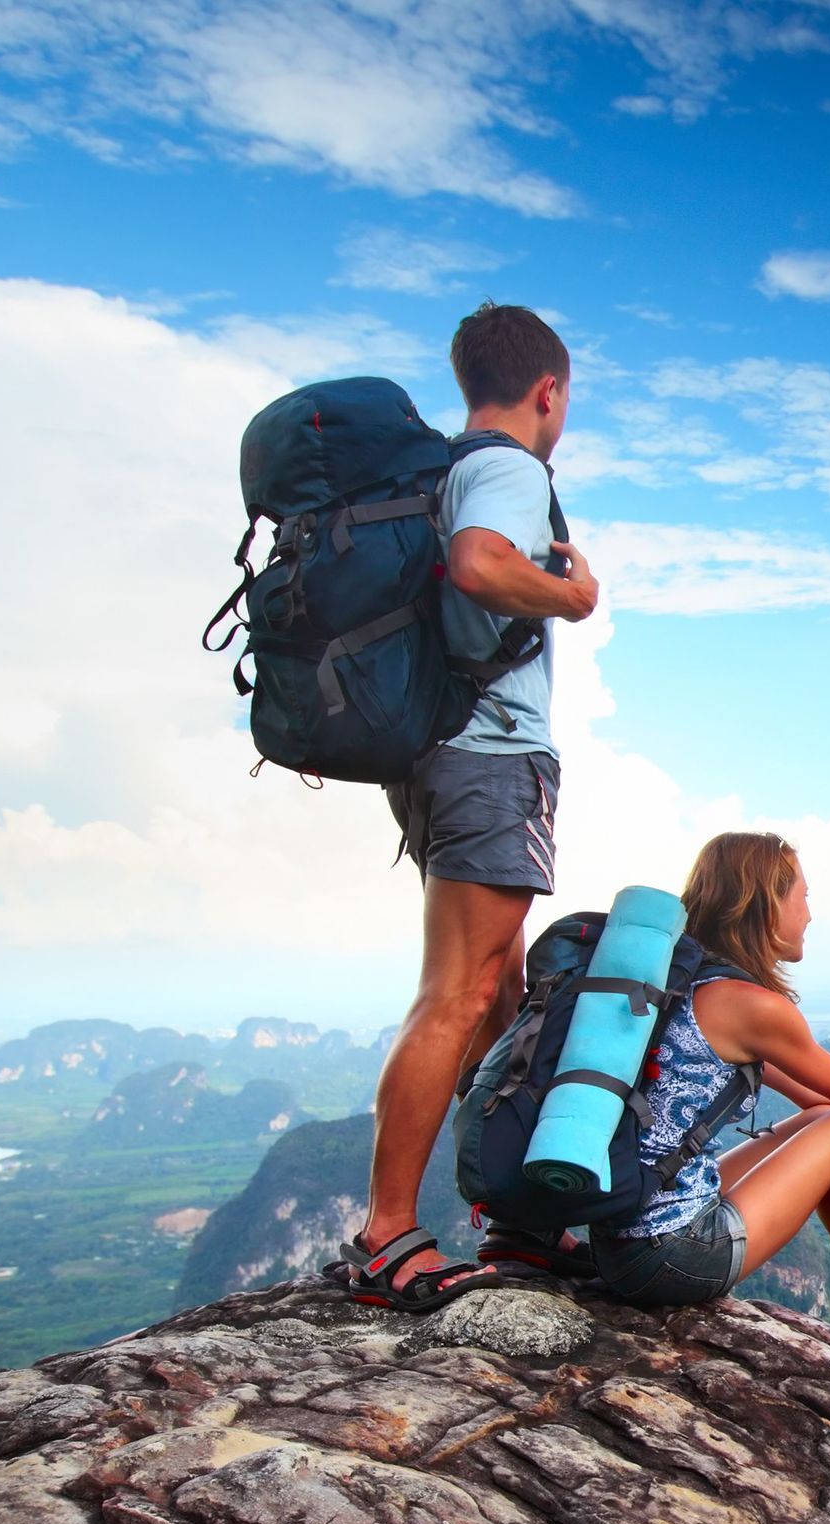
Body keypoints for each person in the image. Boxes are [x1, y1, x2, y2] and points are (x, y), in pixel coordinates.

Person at [339, 303, 600, 1307]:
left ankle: (514, 1221)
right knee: (458, 993)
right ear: (549, 392)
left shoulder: (443, 472)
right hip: (487, 757)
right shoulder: (508, 470)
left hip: (440, 754)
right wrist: (572, 598)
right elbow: (480, 563)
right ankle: (388, 1237)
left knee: (495, 995)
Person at [590, 831, 830, 1400]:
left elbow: (823, 1103)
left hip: (621, 1238)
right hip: (671, 1256)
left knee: (827, 1124)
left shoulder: (682, 982)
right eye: (803, 895)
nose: (810, 914)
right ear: (765, 903)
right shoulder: (749, 1005)